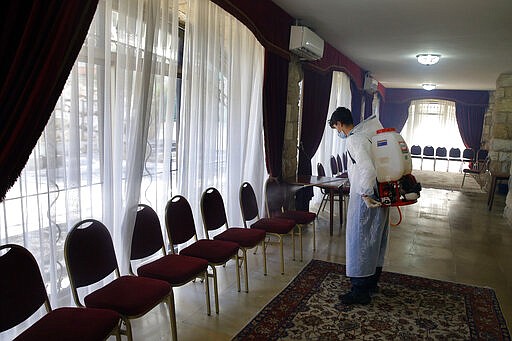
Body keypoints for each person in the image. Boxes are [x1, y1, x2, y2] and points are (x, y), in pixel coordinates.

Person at [328, 107, 390, 305]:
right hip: (381, 192)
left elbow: (367, 169)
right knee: (375, 241)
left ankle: (359, 291)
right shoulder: (367, 133)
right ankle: (371, 283)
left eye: (335, 127)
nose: (337, 132)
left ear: (339, 124)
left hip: (366, 198)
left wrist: (365, 193)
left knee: (359, 242)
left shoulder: (354, 139)